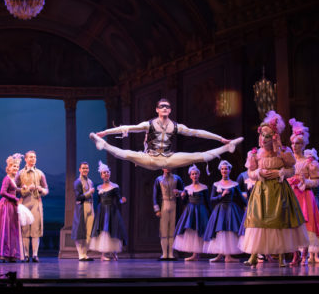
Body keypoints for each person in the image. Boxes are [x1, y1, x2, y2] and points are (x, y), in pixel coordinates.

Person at [89, 98, 243, 170]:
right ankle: (103, 144)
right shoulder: (148, 124)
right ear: (157, 109)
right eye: (161, 106)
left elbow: (197, 133)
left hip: (168, 159)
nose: (164, 108)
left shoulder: (176, 126)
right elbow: (128, 128)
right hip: (150, 158)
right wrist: (105, 132)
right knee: (126, 154)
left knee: (198, 156)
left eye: (167, 107)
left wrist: (221, 139)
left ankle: (228, 147)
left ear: (170, 110)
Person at [238, 111, 309, 268]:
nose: (264, 139)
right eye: (262, 136)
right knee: (258, 221)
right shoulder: (255, 154)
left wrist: (280, 172)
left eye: (268, 136)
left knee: (279, 221)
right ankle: (254, 255)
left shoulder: (283, 153)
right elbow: (250, 172)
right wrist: (258, 173)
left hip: (278, 190)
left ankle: (282, 256)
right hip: (261, 191)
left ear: (275, 137)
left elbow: (292, 169)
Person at [287, 119, 319, 265]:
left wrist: (305, 181)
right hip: (292, 194)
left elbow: (317, 181)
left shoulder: (309, 162)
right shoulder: (289, 161)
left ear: (303, 145)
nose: (294, 146)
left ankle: (304, 254)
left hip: (304, 195)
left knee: (305, 224)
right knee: (292, 224)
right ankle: (294, 255)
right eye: (292, 143)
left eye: (297, 143)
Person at [203, 160, 246, 263]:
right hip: (220, 209)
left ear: (229, 170)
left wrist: (249, 203)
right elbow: (211, 199)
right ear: (220, 170)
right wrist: (221, 195)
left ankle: (228, 256)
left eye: (226, 168)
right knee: (220, 231)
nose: (224, 170)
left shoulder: (234, 184)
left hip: (231, 209)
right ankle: (219, 255)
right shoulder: (216, 184)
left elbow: (240, 197)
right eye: (222, 169)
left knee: (229, 230)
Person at [0, 154, 24, 263]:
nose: (16, 169)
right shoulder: (6, 178)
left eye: (17, 167)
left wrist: (21, 189)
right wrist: (14, 198)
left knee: (12, 231)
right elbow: (2, 192)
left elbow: (14, 189)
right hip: (6, 206)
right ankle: (1, 253)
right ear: (9, 168)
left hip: (13, 207)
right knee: (5, 230)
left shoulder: (13, 179)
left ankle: (11, 254)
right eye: (14, 166)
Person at [89, 161, 127, 261]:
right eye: (104, 173)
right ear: (101, 175)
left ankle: (114, 252)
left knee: (112, 229)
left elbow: (119, 198)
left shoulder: (114, 186)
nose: (106, 174)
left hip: (111, 210)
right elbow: (97, 201)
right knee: (103, 230)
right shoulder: (99, 187)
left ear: (109, 173)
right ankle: (103, 254)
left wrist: (122, 200)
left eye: (107, 172)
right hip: (101, 210)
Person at [15, 151, 48, 263]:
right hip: (24, 202)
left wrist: (39, 189)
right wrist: (24, 188)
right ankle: (25, 254)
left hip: (35, 202)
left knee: (35, 229)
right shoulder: (20, 173)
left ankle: (34, 254)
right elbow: (14, 188)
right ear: (25, 159)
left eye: (34, 157)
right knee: (24, 229)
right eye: (31, 157)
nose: (33, 159)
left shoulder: (39, 173)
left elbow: (46, 189)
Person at [173, 165, 210, 261]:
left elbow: (207, 201)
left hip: (201, 210)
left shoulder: (204, 187)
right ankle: (194, 254)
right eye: (193, 174)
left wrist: (210, 213)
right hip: (190, 211)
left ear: (199, 175)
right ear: (190, 176)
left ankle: (197, 254)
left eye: (196, 174)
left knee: (199, 230)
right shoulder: (187, 188)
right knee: (192, 230)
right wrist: (182, 196)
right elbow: (184, 202)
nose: (195, 175)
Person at [153, 168, 184, 260]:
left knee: (172, 230)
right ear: (162, 168)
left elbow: (184, 191)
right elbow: (155, 195)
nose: (167, 168)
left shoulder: (177, 178)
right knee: (163, 230)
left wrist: (178, 192)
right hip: (164, 204)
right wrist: (157, 209)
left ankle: (170, 253)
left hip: (174, 204)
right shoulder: (159, 179)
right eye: (165, 166)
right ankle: (164, 253)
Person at [71, 162, 95, 261]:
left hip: (90, 206)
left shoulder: (90, 181)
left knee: (89, 232)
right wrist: (89, 193)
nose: (85, 170)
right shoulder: (77, 182)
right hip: (82, 207)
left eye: (87, 168)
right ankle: (80, 254)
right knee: (80, 231)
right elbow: (78, 197)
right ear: (80, 170)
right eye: (83, 168)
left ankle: (85, 254)